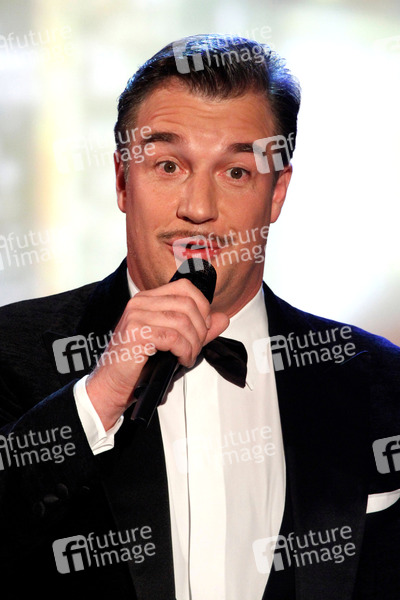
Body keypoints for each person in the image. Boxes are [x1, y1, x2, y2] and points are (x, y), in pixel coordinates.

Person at [0, 34, 399, 600]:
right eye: (168, 165)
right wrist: (100, 395)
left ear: (277, 192)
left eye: (235, 173)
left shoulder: (380, 381)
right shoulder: (11, 351)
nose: (198, 208)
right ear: (122, 180)